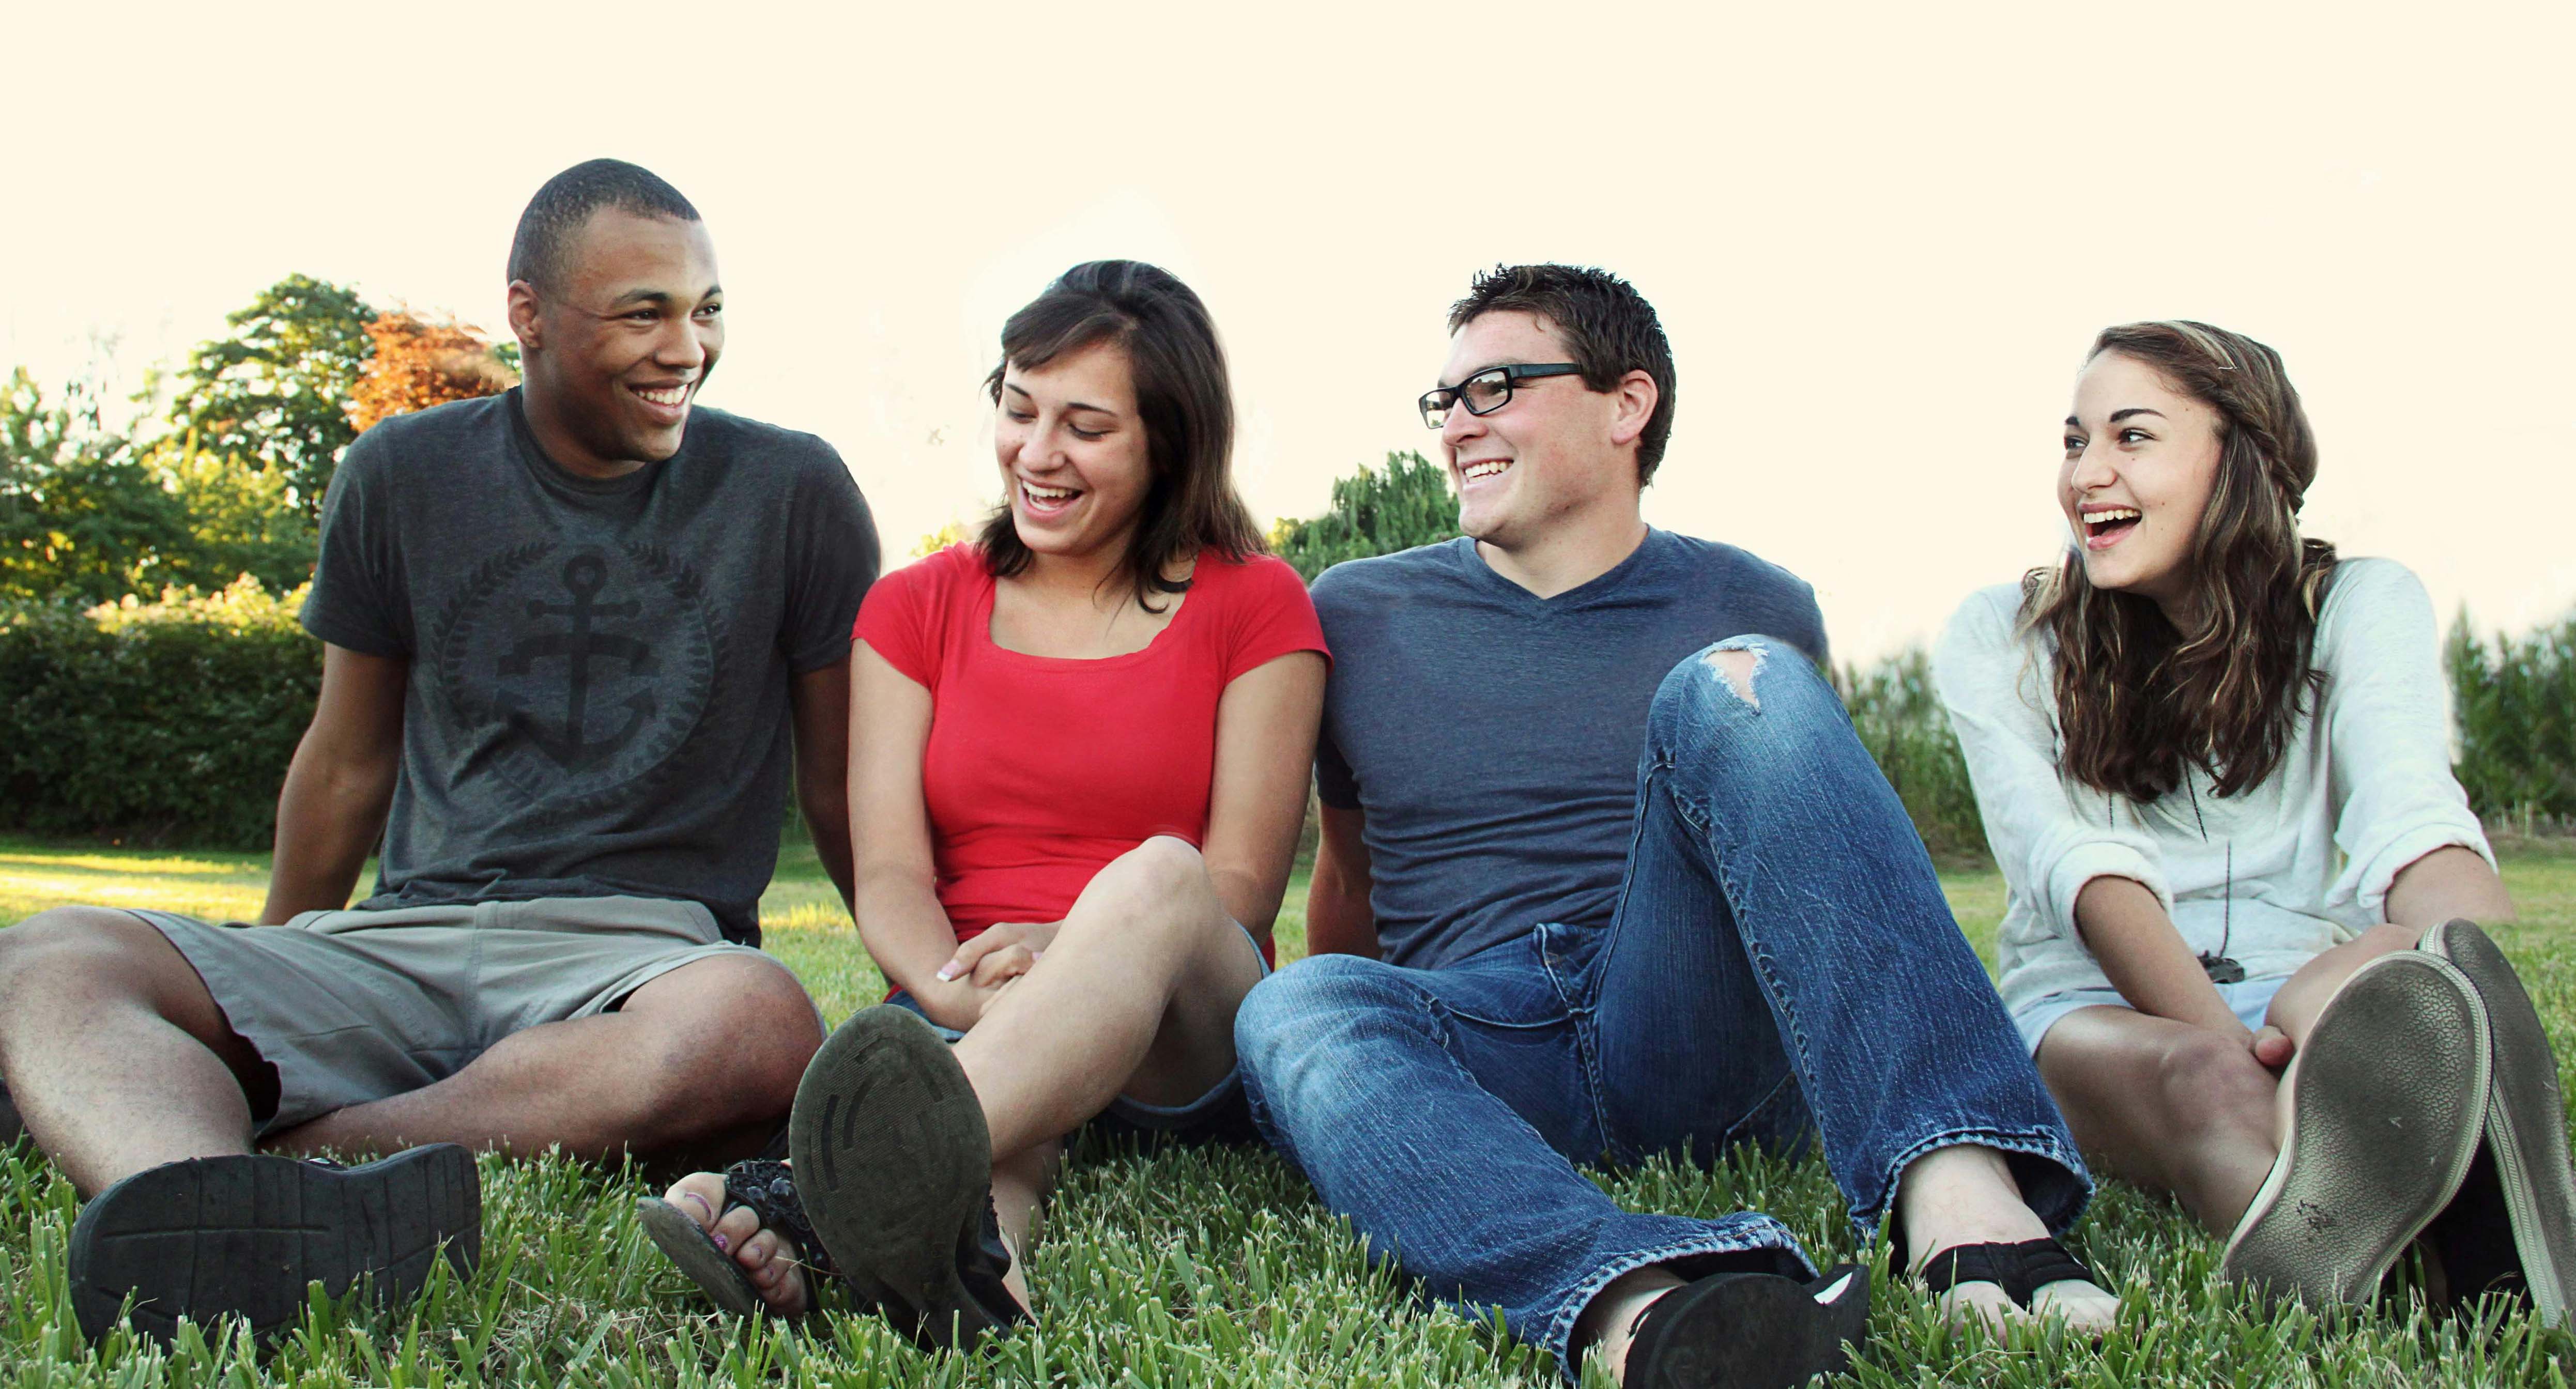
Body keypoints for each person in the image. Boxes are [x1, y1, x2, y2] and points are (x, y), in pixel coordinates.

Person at [0, 159, 881, 1347]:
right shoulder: (402, 473)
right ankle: (186, 1181)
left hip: (642, 954)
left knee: (763, 1024)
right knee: (50, 955)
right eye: (644, 312)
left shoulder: (793, 490)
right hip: (401, 935)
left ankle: (278, 1171)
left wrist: (905, 979)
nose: (688, 347)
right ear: (527, 313)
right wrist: (256, 973)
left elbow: (838, 781)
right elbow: (345, 761)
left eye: (707, 308)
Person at [1232, 265, 2119, 1389]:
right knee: (1294, 1000)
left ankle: (1954, 1185)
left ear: (1625, 405)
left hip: (1687, 1020)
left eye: (1494, 388)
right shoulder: (1354, 611)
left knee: (1734, 684)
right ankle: (1635, 1303)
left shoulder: (1757, 603)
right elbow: (1347, 881)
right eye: (1442, 400)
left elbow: (1810, 859)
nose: (1455, 427)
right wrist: (1349, 1088)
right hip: (1487, 1040)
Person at [644, 259, 1328, 1349]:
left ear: (1170, 440)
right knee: (996, 1116)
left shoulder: (1257, 600)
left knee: (1156, 872)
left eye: (1086, 427)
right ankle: (972, 1282)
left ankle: (809, 1190)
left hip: (1180, 1024)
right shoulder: (913, 609)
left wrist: (1069, 953)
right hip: (966, 1003)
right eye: (1017, 410)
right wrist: (964, 995)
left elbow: (1239, 881)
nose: (1036, 453)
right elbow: (890, 875)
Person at [1934, 319, 2576, 1318]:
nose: (2085, 474)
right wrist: (2247, 1055)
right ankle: (2415, 1281)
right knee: (2206, 1083)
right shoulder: (2004, 639)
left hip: (2304, 980)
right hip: (2097, 1002)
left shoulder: (2362, 603)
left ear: (2240, 458)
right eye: (2075, 441)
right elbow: (2081, 872)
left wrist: (2464, 968)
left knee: (2365, 989)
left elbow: (2411, 812)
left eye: (2130, 437)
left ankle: (2462, 1169)